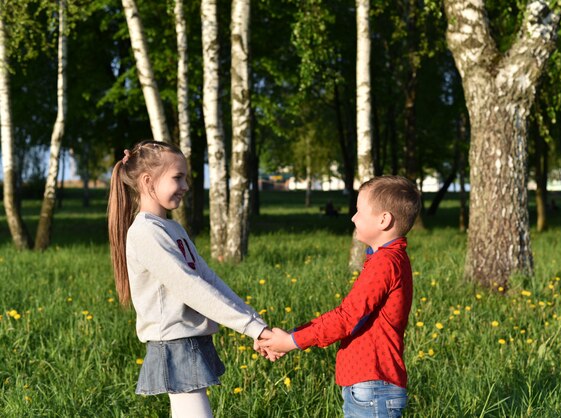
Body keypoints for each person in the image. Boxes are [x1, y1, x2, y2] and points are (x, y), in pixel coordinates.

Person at [107, 140, 277, 418]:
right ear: (148, 181)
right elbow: (191, 288)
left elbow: (207, 279)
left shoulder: (172, 227)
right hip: (175, 342)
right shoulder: (146, 232)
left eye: (185, 177)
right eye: (178, 177)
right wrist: (252, 328)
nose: (186, 185)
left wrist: (256, 324)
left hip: (188, 338)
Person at [259, 175, 420, 418]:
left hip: (373, 387)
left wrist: (293, 341)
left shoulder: (385, 263)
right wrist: (292, 335)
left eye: (359, 211)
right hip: (370, 387)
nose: (353, 217)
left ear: (384, 220)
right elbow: (350, 315)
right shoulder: (386, 260)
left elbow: (346, 317)